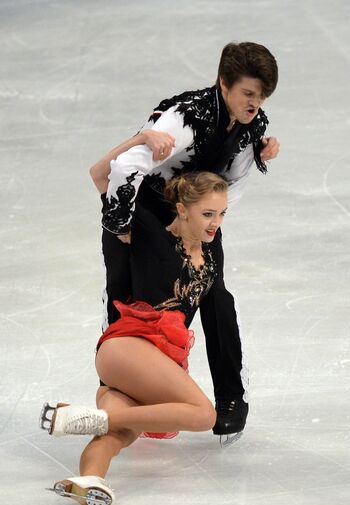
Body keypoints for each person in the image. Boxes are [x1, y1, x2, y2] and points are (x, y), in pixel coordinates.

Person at [90, 41, 279, 445]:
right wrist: (120, 223)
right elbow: (124, 167)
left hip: (196, 214)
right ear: (224, 83)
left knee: (213, 294)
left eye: (261, 95)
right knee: (127, 292)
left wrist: (210, 219)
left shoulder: (253, 127)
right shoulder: (186, 115)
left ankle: (232, 398)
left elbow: (235, 183)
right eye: (248, 93)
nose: (255, 103)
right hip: (144, 211)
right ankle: (116, 386)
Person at [40, 172, 231, 505]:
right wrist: (144, 141)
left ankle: (89, 479)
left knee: (119, 433)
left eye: (221, 214)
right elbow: (102, 174)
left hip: (142, 367)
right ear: (182, 209)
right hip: (129, 346)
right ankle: (85, 418)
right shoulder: (152, 236)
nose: (216, 223)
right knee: (204, 415)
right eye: (207, 214)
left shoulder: (211, 252)